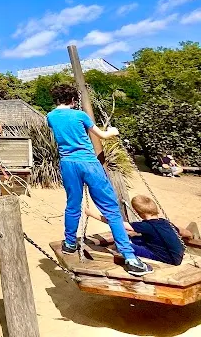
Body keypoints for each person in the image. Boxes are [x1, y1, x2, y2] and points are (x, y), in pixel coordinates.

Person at [47, 83, 152, 277]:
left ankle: (70, 243)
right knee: (110, 208)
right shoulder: (80, 115)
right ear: (73, 100)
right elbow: (102, 135)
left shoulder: (51, 116)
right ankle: (130, 257)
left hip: (68, 164)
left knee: (72, 205)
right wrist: (113, 131)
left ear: (56, 99)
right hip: (88, 163)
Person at [86, 195, 193, 265]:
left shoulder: (146, 225)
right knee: (137, 237)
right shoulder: (165, 222)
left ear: (139, 213)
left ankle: (115, 248)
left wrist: (92, 214)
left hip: (166, 259)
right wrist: (190, 235)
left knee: (122, 244)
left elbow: (118, 224)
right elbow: (182, 231)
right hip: (176, 255)